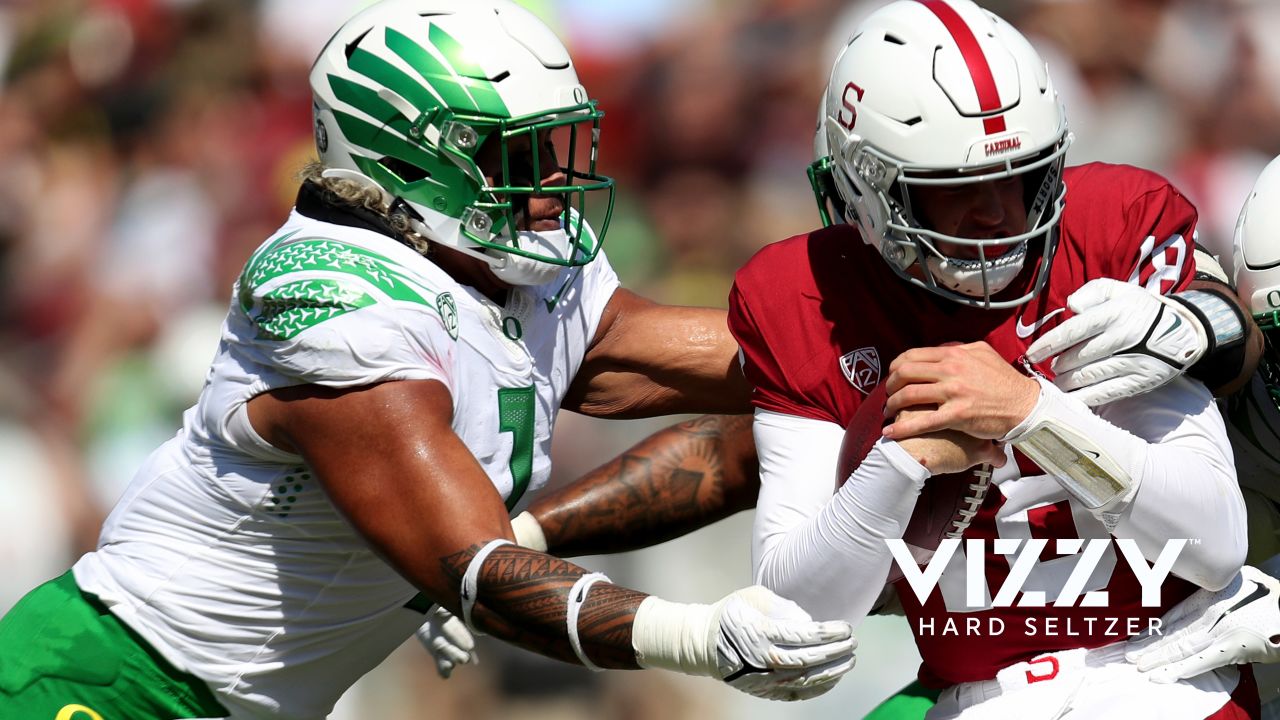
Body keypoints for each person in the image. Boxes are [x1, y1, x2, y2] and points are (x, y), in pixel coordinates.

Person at [0, 3, 860, 718]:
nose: (544, 188)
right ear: (405, 157)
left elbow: (683, 357)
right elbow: (473, 569)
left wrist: (893, 344)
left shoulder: (507, 261)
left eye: (555, 149)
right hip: (112, 682)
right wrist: (697, 637)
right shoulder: (337, 295)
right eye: (511, 156)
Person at [729, 0, 1256, 717]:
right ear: (865, 190)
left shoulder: (1108, 231)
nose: (1000, 214)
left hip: (1166, 674)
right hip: (975, 698)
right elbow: (797, 612)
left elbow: (1215, 542)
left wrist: (1028, 413)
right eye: (955, 189)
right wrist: (902, 456)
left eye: (1022, 176)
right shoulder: (796, 294)